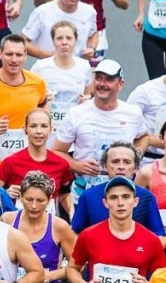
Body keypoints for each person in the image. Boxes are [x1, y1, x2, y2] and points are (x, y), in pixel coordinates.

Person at [53, 59, 149, 203]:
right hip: (85, 190)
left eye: (109, 79)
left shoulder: (132, 113)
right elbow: (57, 151)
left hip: (122, 193)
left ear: (121, 84)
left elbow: (144, 137)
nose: (102, 84)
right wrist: (77, 166)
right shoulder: (76, 113)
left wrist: (135, 156)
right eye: (98, 78)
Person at [0, 34, 48, 173]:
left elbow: (43, 107)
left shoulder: (37, 83)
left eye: (18, 55)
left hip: (29, 166)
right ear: (0, 54)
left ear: (25, 56)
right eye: (9, 54)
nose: (14, 60)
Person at [71, 142, 166, 237]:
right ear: (104, 166)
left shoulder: (146, 197)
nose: (121, 167)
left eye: (127, 162)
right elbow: (74, 233)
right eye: (115, 162)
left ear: (136, 168)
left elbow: (160, 236)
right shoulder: (89, 196)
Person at [0, 109, 74, 215]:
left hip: (48, 226)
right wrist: (5, 194)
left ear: (51, 129)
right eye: (33, 126)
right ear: (25, 130)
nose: (39, 131)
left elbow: (64, 194)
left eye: (44, 126)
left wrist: (72, 216)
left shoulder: (61, 164)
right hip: (17, 226)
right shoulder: (10, 162)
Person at [30, 22, 92, 145]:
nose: (64, 42)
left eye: (69, 38)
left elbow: (88, 93)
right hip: (47, 133)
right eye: (59, 38)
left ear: (75, 41)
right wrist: (40, 100)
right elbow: (29, 97)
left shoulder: (84, 66)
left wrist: (87, 100)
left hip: (74, 133)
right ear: (53, 41)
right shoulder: (40, 67)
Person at [22, 0, 99, 61]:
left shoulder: (89, 12)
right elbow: (22, 42)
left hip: (78, 70)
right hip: (47, 70)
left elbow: (93, 33)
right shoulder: (42, 12)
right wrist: (47, 55)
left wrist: (91, 48)